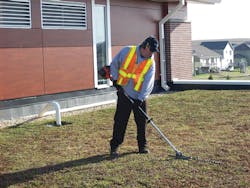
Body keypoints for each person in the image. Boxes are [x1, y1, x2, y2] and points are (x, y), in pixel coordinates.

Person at [109, 36, 159, 157]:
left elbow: (148, 83)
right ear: (145, 46)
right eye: (151, 50)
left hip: (139, 97)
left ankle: (142, 146)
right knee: (120, 121)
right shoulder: (127, 51)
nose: (152, 53)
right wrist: (115, 80)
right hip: (124, 94)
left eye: (153, 51)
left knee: (141, 122)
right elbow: (114, 64)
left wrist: (140, 98)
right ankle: (114, 146)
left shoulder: (150, 62)